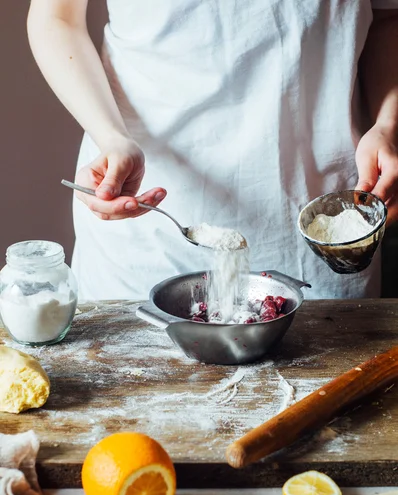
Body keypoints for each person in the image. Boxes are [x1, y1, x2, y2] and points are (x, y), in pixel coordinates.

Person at [27, 1, 398, 300]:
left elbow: (386, 18)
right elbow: (57, 18)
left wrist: (387, 124)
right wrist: (110, 135)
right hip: (149, 230)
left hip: (322, 231)